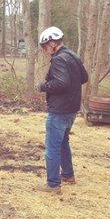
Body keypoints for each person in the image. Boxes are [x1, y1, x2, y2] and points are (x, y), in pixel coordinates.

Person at [35, 26, 88, 194]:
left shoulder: (59, 59)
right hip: (72, 109)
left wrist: (43, 86)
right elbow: (84, 77)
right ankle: (68, 175)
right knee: (63, 143)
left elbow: (61, 82)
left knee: (52, 148)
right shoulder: (72, 56)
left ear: (52, 43)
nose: (44, 50)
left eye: (45, 46)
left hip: (59, 110)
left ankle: (53, 184)